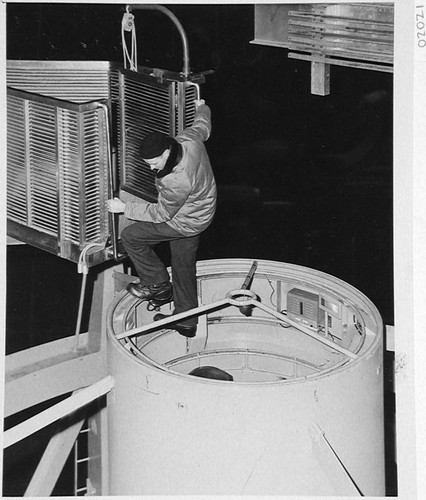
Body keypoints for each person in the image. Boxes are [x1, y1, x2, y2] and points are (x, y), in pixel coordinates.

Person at [107, 99, 216, 338]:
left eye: (154, 162)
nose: (151, 168)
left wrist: (125, 207)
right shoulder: (188, 140)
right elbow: (202, 126)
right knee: (183, 265)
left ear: (167, 152)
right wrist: (201, 106)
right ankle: (186, 321)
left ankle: (157, 283)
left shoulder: (177, 179)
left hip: (186, 220)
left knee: (131, 236)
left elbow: (162, 214)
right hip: (202, 211)